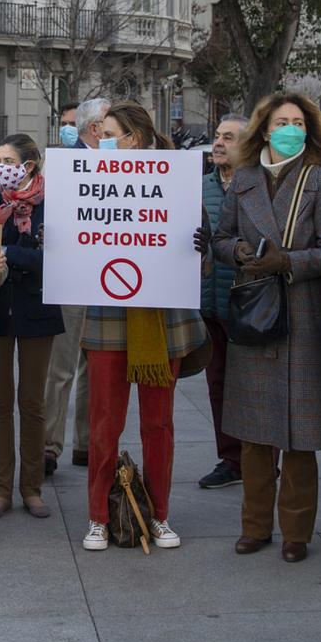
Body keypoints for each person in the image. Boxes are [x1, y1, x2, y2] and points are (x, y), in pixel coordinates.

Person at [212, 94, 321, 562]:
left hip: (303, 314)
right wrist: (238, 255)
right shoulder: (244, 179)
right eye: (280, 122)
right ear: (264, 130)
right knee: (253, 433)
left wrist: (286, 261)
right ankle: (254, 526)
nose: (289, 128)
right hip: (253, 313)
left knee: (300, 435)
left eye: (297, 122)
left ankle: (296, 533)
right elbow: (222, 238)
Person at [79, 103, 204, 553]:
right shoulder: (86, 180)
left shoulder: (178, 180)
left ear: (133, 137)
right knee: (103, 424)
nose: (101, 139)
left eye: (109, 132)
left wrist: (199, 244)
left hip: (161, 317)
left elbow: (197, 250)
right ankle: (98, 516)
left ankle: (160, 514)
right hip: (108, 317)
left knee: (159, 424)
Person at [0, 133, 60, 520]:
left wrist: (9, 253)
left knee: (32, 401)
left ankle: (32, 488)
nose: (0, 168)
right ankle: (1, 489)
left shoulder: (52, 203)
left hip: (38, 310)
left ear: (28, 166)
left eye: (6, 160)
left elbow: (54, 259)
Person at [44, 96, 112, 475]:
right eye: (110, 120)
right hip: (72, 276)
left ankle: (87, 444)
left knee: (98, 367)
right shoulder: (63, 165)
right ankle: (49, 447)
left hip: (111, 279)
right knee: (62, 366)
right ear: (95, 129)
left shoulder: (128, 164)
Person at [196, 114, 249, 492]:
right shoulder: (199, 187)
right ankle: (231, 460)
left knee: (252, 388)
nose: (218, 143)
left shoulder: (258, 187)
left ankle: (261, 460)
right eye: (217, 136)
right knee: (218, 386)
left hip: (249, 307)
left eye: (228, 138)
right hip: (208, 305)